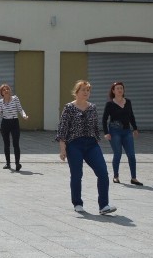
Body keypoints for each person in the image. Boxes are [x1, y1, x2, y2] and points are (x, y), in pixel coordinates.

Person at [56, 80, 117, 215]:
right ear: (76, 92)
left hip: (91, 144)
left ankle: (104, 205)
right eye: (83, 90)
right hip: (74, 145)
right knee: (77, 174)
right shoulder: (69, 108)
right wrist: (63, 148)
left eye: (88, 90)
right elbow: (62, 129)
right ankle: (77, 203)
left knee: (103, 173)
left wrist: (96, 141)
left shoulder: (93, 107)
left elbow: (95, 128)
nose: (86, 93)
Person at [102, 81, 142, 186]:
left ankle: (133, 178)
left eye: (121, 88)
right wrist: (106, 133)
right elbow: (104, 119)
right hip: (115, 132)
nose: (120, 90)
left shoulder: (128, 102)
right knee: (118, 154)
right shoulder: (110, 104)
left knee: (131, 155)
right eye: (117, 88)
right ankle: (116, 176)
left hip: (127, 132)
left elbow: (131, 116)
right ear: (113, 91)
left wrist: (135, 128)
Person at [0, 83, 29, 172]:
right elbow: (1, 115)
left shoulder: (15, 99)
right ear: (2, 93)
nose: (6, 91)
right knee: (6, 144)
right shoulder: (0, 101)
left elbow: (20, 109)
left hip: (14, 122)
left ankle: (17, 163)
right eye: (4, 90)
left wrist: (24, 115)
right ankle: (8, 163)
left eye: (7, 89)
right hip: (5, 123)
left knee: (16, 143)